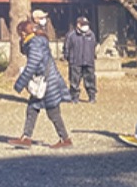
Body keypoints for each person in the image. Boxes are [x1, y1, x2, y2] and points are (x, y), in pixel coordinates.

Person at [8, 19, 71, 148]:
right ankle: (26, 137)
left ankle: (65, 139)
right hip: (49, 79)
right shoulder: (37, 41)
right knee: (33, 107)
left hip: (47, 82)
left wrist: (20, 82)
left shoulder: (34, 43)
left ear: (24, 33)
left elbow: (33, 64)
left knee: (53, 112)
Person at [63, 16, 98, 103]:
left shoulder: (91, 35)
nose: (85, 26)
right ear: (78, 25)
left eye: (86, 24)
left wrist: (92, 57)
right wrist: (68, 58)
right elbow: (66, 48)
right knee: (74, 81)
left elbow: (94, 47)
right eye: (83, 24)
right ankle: (74, 97)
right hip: (75, 62)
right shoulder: (71, 35)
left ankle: (92, 97)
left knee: (90, 80)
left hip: (89, 61)